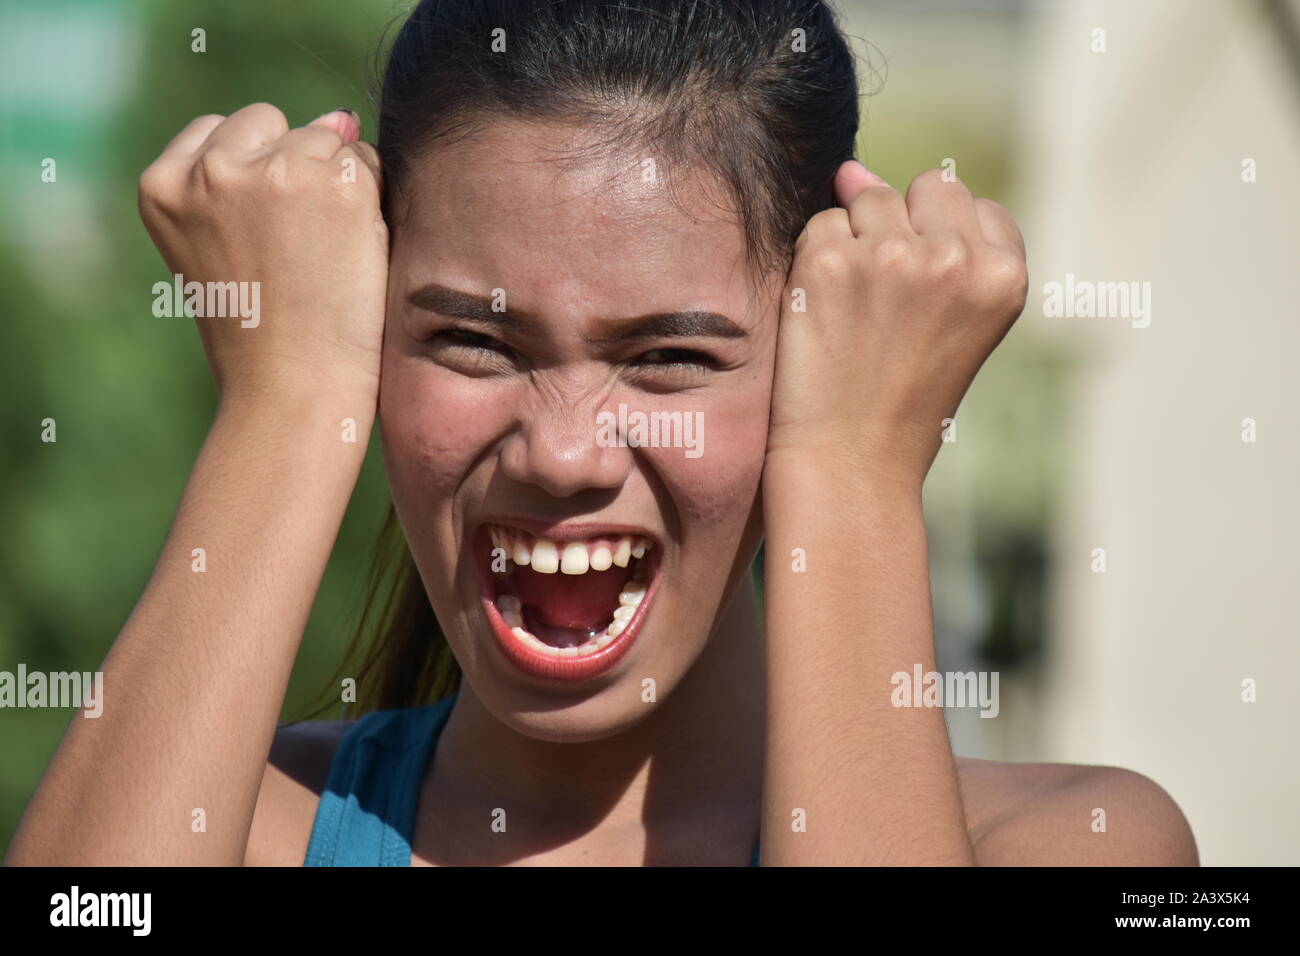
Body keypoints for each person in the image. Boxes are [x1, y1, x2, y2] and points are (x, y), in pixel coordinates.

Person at [6, 0, 1197, 866]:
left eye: (671, 357)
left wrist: (852, 470)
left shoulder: (1078, 844)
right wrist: (282, 402)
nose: (563, 453)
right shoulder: (241, 822)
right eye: (473, 342)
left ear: (828, 351)